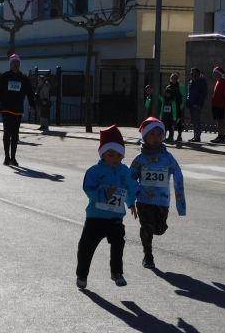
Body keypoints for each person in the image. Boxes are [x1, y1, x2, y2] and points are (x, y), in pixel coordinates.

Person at [76, 125, 137, 289]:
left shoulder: (125, 171)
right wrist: (104, 195)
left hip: (115, 217)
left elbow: (130, 188)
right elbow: (88, 189)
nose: (115, 158)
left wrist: (131, 203)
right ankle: (82, 274)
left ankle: (117, 272)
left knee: (118, 243)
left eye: (119, 155)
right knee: (86, 247)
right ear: (103, 154)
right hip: (96, 217)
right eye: (111, 155)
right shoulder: (94, 171)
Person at [129, 117, 186, 269]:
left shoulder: (168, 157)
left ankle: (152, 235)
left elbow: (178, 175)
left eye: (159, 134)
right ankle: (148, 255)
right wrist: (136, 191)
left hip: (162, 200)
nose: (156, 137)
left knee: (159, 229)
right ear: (145, 136)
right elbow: (130, 177)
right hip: (143, 200)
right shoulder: (140, 159)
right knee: (146, 227)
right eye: (152, 134)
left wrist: (181, 204)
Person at [0, 54, 35, 166]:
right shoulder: (4, 77)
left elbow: (30, 92)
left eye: (17, 63)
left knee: (15, 135)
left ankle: (13, 158)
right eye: (14, 62)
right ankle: (7, 157)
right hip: (6, 109)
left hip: (18, 110)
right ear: (10, 64)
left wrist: (32, 105)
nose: (16, 64)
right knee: (7, 133)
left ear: (19, 64)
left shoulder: (23, 78)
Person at [185, 67, 207, 142]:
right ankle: (195, 135)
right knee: (193, 120)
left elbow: (203, 94)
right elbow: (189, 93)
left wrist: (199, 103)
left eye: (193, 72)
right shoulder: (191, 82)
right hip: (191, 104)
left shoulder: (202, 82)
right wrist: (188, 101)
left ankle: (197, 136)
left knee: (197, 120)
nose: (191, 73)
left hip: (197, 104)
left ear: (197, 73)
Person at [211, 66, 225, 144]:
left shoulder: (222, 81)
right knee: (218, 120)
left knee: (221, 120)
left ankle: (222, 137)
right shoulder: (218, 81)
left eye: (214, 73)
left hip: (220, 104)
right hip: (216, 104)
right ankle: (219, 135)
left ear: (218, 73)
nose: (213, 74)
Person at [166, 73, 186, 142]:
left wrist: (181, 106)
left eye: (176, 78)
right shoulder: (168, 87)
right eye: (173, 78)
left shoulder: (180, 87)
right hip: (170, 107)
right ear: (171, 79)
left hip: (178, 106)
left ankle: (179, 135)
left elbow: (184, 97)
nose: (174, 79)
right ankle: (170, 135)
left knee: (178, 121)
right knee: (170, 121)